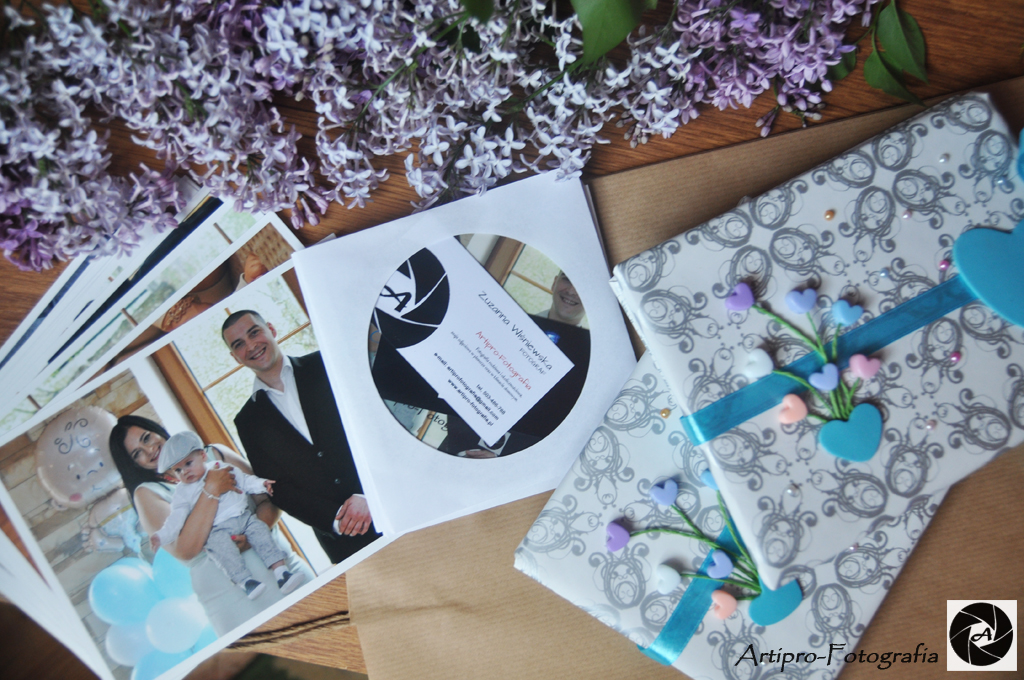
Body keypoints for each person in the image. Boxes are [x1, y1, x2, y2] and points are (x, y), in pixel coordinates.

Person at [109, 415, 314, 635]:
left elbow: (268, 499)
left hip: (287, 572)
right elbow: (185, 549)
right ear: (133, 464)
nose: (149, 450)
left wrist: (249, 537)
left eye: (147, 438)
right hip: (234, 605)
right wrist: (212, 488)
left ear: (157, 430)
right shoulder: (147, 493)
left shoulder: (216, 455)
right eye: (137, 453)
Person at [224, 310, 379, 564]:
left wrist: (366, 493)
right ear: (235, 357)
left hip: (391, 501)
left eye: (254, 333)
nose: (251, 346)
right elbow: (277, 488)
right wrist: (336, 519)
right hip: (345, 544)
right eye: (239, 344)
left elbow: (375, 422)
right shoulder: (247, 421)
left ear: (271, 329)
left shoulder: (326, 363)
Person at [151, 431, 304, 599]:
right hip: (217, 529)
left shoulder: (221, 468)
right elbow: (176, 519)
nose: (185, 472)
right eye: (178, 470)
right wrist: (162, 536)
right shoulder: (182, 493)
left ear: (203, 455)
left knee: (260, 531)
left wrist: (262, 484)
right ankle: (245, 581)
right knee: (221, 550)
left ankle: (281, 571)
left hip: (243, 517)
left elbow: (245, 481)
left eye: (188, 463)